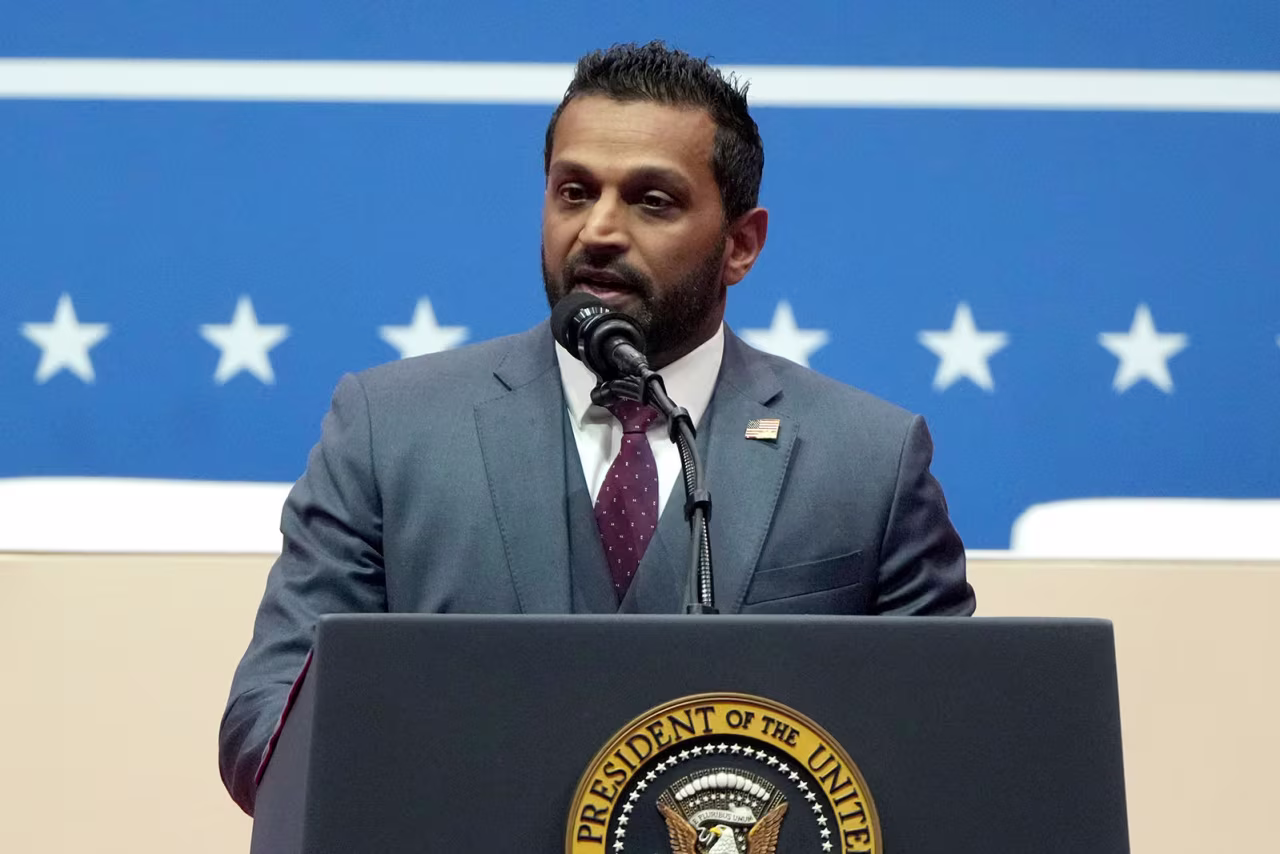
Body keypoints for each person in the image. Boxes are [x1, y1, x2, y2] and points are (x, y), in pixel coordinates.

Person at [218, 41, 975, 815]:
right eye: (574, 192)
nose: (599, 231)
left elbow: (959, 741)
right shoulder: (389, 429)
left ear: (741, 244)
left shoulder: (869, 459)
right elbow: (261, 727)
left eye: (653, 201)